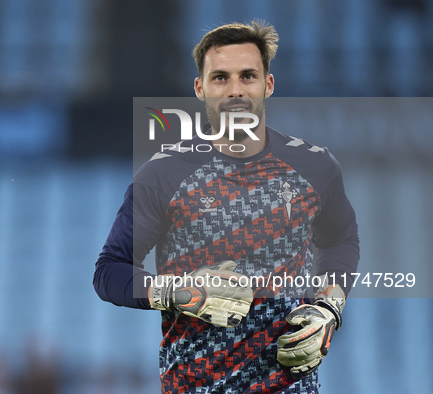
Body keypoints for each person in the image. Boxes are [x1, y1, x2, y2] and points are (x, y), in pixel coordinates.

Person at [93, 20, 359, 394]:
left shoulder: (315, 167)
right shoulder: (163, 175)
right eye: (221, 78)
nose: (235, 90)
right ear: (200, 89)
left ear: (268, 84)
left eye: (248, 76)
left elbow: (341, 240)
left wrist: (327, 309)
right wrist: (176, 292)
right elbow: (109, 271)